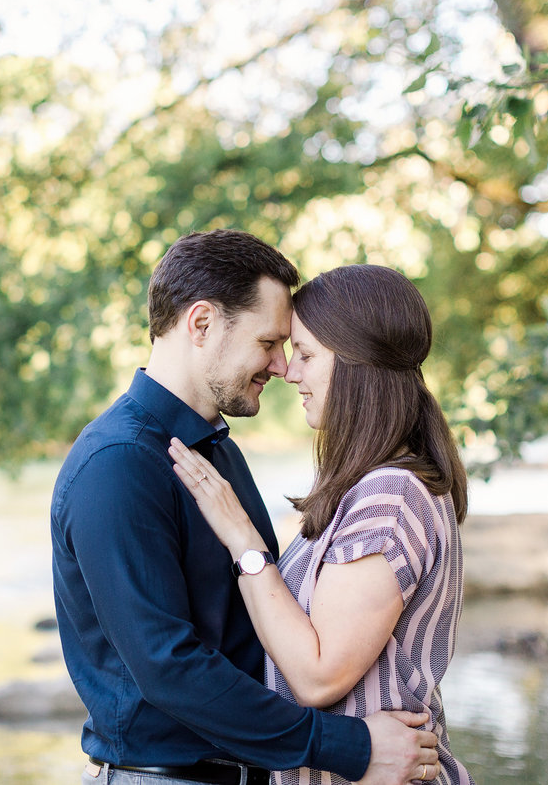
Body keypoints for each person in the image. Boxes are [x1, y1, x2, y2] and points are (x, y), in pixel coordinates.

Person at [51, 231, 441, 785]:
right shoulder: (119, 464)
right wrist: (346, 747)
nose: (281, 366)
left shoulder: (218, 452)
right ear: (202, 324)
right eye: (270, 342)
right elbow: (168, 666)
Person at [167, 264, 474, 785]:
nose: (289, 371)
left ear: (357, 366)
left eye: (306, 354)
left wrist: (243, 541)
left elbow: (317, 675)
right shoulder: (373, 488)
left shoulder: (389, 497)